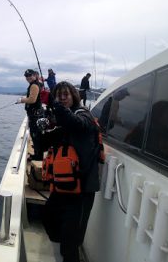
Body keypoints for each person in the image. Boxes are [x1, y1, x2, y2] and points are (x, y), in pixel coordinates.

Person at [42, 81, 100, 262]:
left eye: (65, 94)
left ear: (74, 96)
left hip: (81, 191)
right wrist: (40, 127)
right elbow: (43, 142)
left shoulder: (83, 115)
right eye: (58, 95)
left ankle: (69, 251)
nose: (62, 98)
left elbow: (76, 123)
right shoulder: (62, 120)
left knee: (71, 242)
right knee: (48, 218)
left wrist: (55, 105)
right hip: (62, 187)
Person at [16, 69, 44, 160]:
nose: (28, 77)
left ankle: (38, 156)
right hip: (36, 114)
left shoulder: (34, 85)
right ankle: (37, 151)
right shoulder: (36, 84)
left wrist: (22, 100)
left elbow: (32, 100)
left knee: (35, 134)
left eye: (30, 75)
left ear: (35, 75)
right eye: (26, 76)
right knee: (36, 134)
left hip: (35, 115)